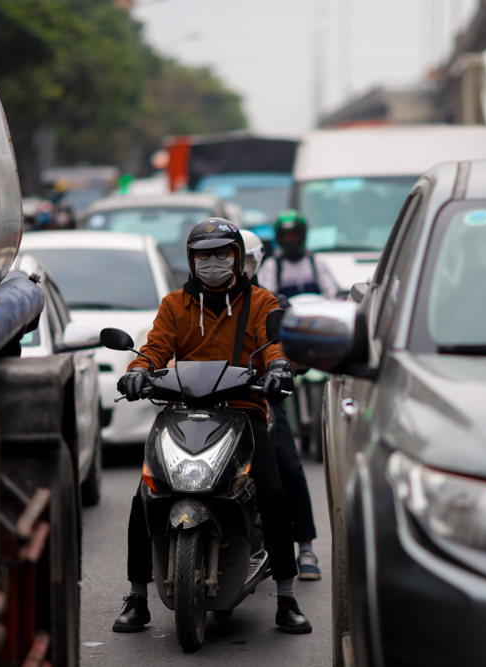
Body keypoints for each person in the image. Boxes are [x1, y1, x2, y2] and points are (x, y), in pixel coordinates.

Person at [112, 219, 312, 634]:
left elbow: (273, 342)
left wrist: (277, 366)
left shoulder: (260, 302)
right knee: (146, 495)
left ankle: (287, 596)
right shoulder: (174, 305)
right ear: (191, 260)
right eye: (204, 255)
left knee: (274, 493)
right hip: (181, 411)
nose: (213, 262)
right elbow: (154, 347)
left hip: (243, 411)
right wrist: (138, 371)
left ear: (238, 258)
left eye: (222, 253)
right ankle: (137, 595)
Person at [240, 230, 322, 580]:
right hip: (212, 402)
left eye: (237, 259)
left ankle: (304, 545)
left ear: (256, 261)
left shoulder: (271, 304)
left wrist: (283, 369)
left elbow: (288, 350)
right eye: (209, 258)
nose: (223, 267)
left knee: (286, 462)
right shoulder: (194, 303)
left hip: (262, 399)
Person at [258, 210, 339, 299]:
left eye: (294, 235)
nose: (291, 241)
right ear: (279, 238)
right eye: (286, 237)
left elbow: (333, 293)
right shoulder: (272, 266)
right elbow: (267, 300)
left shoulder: (315, 262)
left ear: (302, 235)